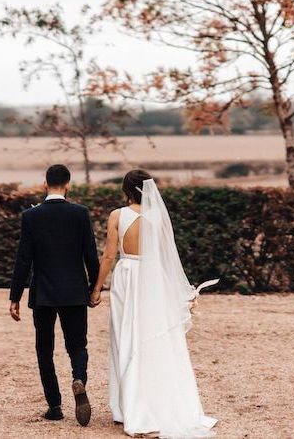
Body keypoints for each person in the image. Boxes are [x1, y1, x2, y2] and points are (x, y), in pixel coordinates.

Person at [90, 169, 218, 437]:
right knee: (151, 338)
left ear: (125, 190)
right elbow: (167, 257)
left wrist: (97, 288)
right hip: (151, 278)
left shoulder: (117, 215)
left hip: (126, 276)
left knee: (125, 336)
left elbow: (108, 256)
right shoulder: (157, 216)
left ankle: (127, 408)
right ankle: (152, 401)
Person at [8, 164, 99, 426]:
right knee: (77, 345)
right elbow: (90, 255)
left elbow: (23, 260)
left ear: (45, 184)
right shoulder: (80, 214)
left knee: (44, 349)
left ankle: (55, 406)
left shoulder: (31, 216)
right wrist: (95, 288)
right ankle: (78, 378)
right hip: (74, 292)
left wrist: (14, 296)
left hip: (44, 294)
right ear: (68, 184)